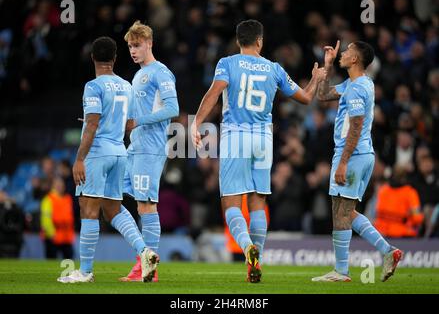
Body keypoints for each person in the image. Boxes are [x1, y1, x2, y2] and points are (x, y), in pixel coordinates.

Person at [191, 19, 325, 283]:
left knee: (231, 203)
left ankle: (247, 248)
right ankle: (257, 262)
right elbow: (306, 98)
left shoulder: (227, 63)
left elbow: (213, 94)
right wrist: (315, 78)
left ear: (238, 40)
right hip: (264, 139)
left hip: (236, 136)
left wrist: (196, 123)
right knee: (257, 203)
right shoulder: (274, 68)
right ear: (260, 41)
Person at [57, 36, 159, 283]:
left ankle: (86, 272)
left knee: (89, 210)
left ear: (92, 58)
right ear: (115, 58)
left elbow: (92, 123)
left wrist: (80, 159)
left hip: (97, 153)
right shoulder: (126, 85)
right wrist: (104, 124)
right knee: (113, 209)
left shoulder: (93, 86)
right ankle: (145, 252)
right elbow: (128, 124)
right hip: (119, 153)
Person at [312, 40, 403, 283]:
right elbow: (322, 95)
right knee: (346, 212)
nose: (342, 53)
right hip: (358, 155)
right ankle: (388, 251)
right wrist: (327, 66)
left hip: (352, 156)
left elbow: (356, 126)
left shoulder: (356, 88)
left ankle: (341, 271)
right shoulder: (355, 84)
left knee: (341, 214)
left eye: (347, 51)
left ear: (355, 60)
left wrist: (343, 163)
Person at [118, 21, 179, 282]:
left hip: (151, 148)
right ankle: (144, 257)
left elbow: (172, 108)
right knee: (111, 200)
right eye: (130, 46)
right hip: (135, 147)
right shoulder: (138, 74)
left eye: (137, 45)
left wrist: (138, 122)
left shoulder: (160, 72)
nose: (133, 50)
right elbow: (136, 113)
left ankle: (147, 268)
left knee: (146, 205)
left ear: (150, 43)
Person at [374, 165, 424, 238]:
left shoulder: (383, 190)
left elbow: (377, 213)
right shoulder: (410, 192)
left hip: (381, 234)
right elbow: (417, 218)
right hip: (403, 235)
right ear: (404, 178)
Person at [40, 177, 75, 259]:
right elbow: (46, 219)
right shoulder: (48, 199)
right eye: (58, 185)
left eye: (62, 185)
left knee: (69, 262)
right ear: (53, 186)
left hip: (66, 237)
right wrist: (52, 234)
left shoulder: (67, 199)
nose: (60, 186)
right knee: (51, 263)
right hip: (53, 237)